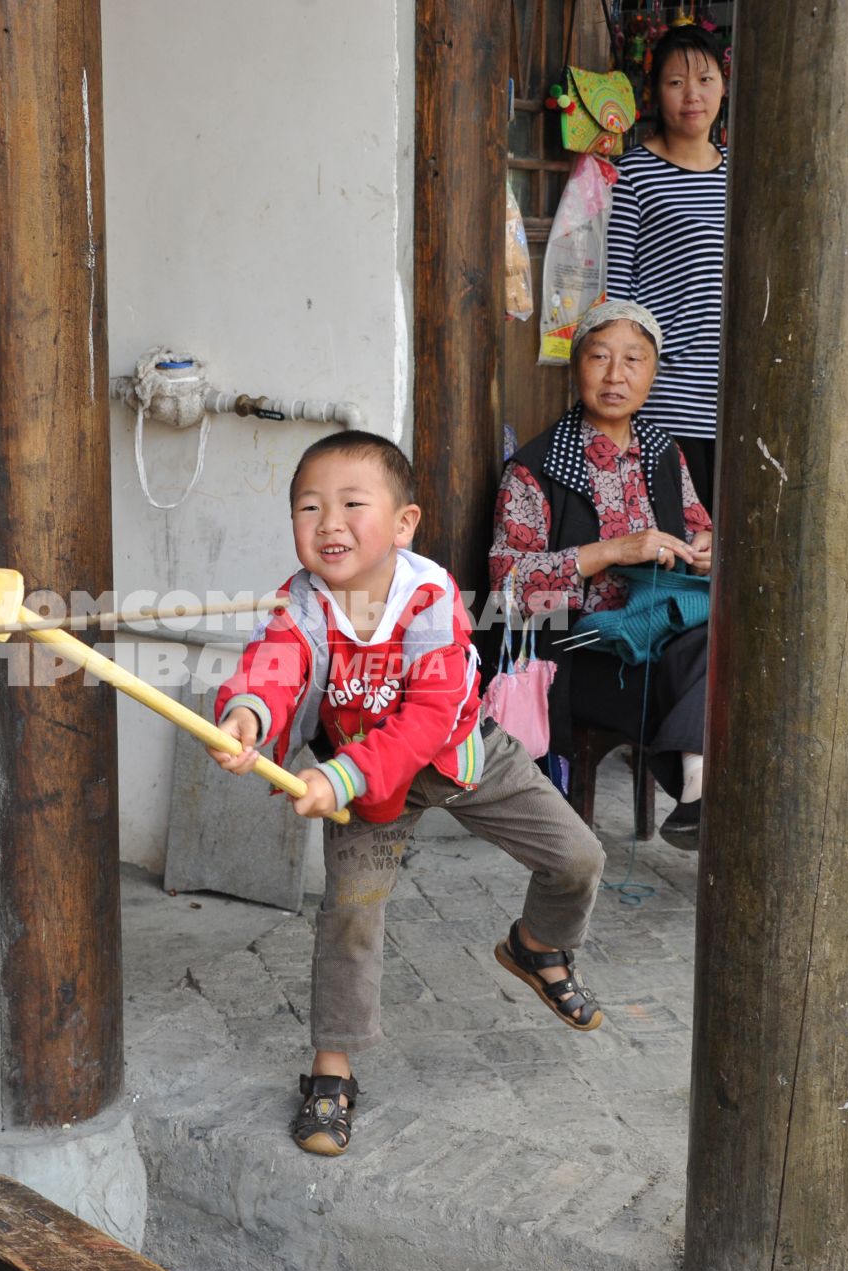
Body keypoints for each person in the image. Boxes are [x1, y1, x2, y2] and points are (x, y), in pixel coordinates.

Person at [207, 430, 607, 1158]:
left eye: (351, 504)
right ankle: (332, 1070)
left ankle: (539, 944)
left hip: (457, 754)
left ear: (403, 523)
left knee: (578, 857)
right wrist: (246, 717)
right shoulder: (301, 604)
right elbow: (272, 667)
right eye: (309, 507)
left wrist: (343, 776)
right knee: (351, 915)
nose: (328, 522)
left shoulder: (430, 600)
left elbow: (428, 719)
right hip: (362, 782)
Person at [489, 299, 713, 849]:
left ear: (653, 372)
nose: (616, 375)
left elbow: (696, 526)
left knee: (722, 647)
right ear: (576, 367)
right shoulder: (536, 468)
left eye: (634, 359)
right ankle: (698, 789)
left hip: (657, 638)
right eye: (600, 357)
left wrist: (705, 548)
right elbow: (506, 590)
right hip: (578, 651)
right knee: (711, 674)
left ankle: (699, 791)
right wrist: (610, 550)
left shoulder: (663, 452)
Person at [604, 22, 729, 512]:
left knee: (724, 542)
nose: (692, 95)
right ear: (656, 93)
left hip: (728, 391)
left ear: (723, 85)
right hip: (667, 393)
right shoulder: (634, 173)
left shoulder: (739, 175)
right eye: (676, 82)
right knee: (674, 542)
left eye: (705, 79)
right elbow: (617, 288)